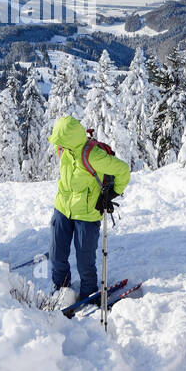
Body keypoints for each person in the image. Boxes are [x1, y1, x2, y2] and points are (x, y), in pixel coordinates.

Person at [46, 115, 130, 307]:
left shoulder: (93, 156)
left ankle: (88, 294)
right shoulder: (63, 148)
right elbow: (58, 144)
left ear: (70, 140)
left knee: (85, 259)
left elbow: (123, 170)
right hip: (62, 208)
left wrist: (113, 193)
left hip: (87, 213)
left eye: (60, 141)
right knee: (57, 253)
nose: (57, 145)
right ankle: (61, 290)